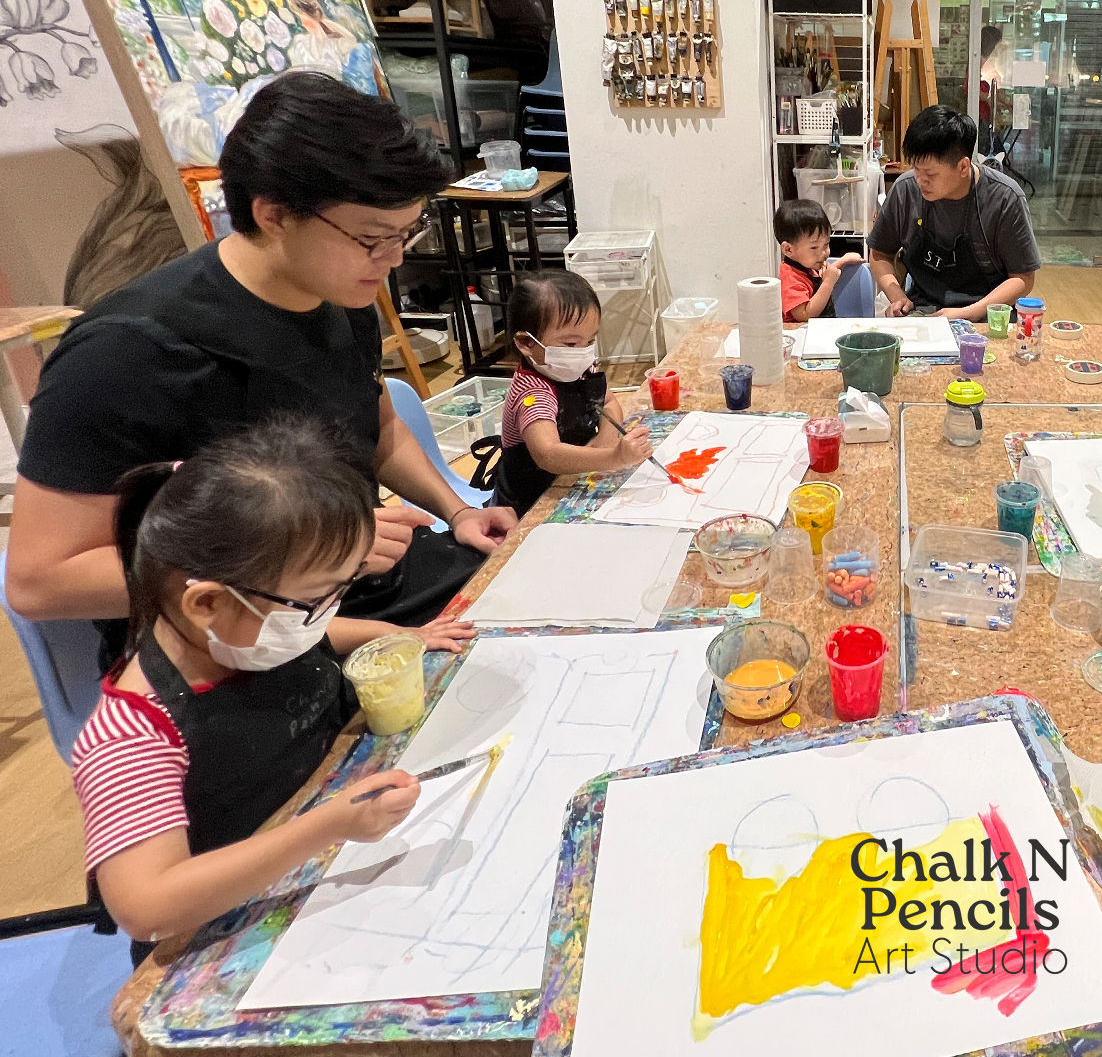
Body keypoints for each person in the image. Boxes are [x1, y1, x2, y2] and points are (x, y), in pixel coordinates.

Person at [11, 72, 519, 671]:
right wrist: (300, 555)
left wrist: (455, 510)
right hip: (240, 647)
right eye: (372, 238)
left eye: (408, 233)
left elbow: (374, 429)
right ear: (273, 214)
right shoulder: (124, 355)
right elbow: (40, 582)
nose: (395, 258)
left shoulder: (337, 293)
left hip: (363, 589)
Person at [73, 420, 427, 963]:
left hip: (326, 867)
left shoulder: (250, 633)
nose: (327, 614)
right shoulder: (131, 734)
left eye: (342, 591)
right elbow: (146, 907)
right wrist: (328, 826)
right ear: (208, 603)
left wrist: (400, 635)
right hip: (223, 940)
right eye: (314, 600)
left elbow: (314, 636)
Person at [486, 271, 653, 517]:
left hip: (572, 484)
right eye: (571, 345)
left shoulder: (580, 368)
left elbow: (609, 401)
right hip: (528, 505)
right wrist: (613, 458)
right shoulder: (533, 394)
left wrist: (605, 439)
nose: (583, 352)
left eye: (590, 341)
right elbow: (548, 454)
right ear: (526, 343)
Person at [868, 106, 1040, 322]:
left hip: (988, 315)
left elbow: (1023, 278)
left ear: (963, 167)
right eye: (916, 170)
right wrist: (897, 296)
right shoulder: (905, 190)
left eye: (929, 173)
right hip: (922, 312)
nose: (920, 180)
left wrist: (968, 314)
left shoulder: (1004, 198)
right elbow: (880, 253)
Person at [775, 199, 863, 323]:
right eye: (814, 247)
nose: (824, 253)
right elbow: (804, 315)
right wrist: (828, 282)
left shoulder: (808, 263)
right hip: (801, 335)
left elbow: (824, 274)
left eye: (826, 244)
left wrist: (843, 261)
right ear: (788, 249)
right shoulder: (790, 278)